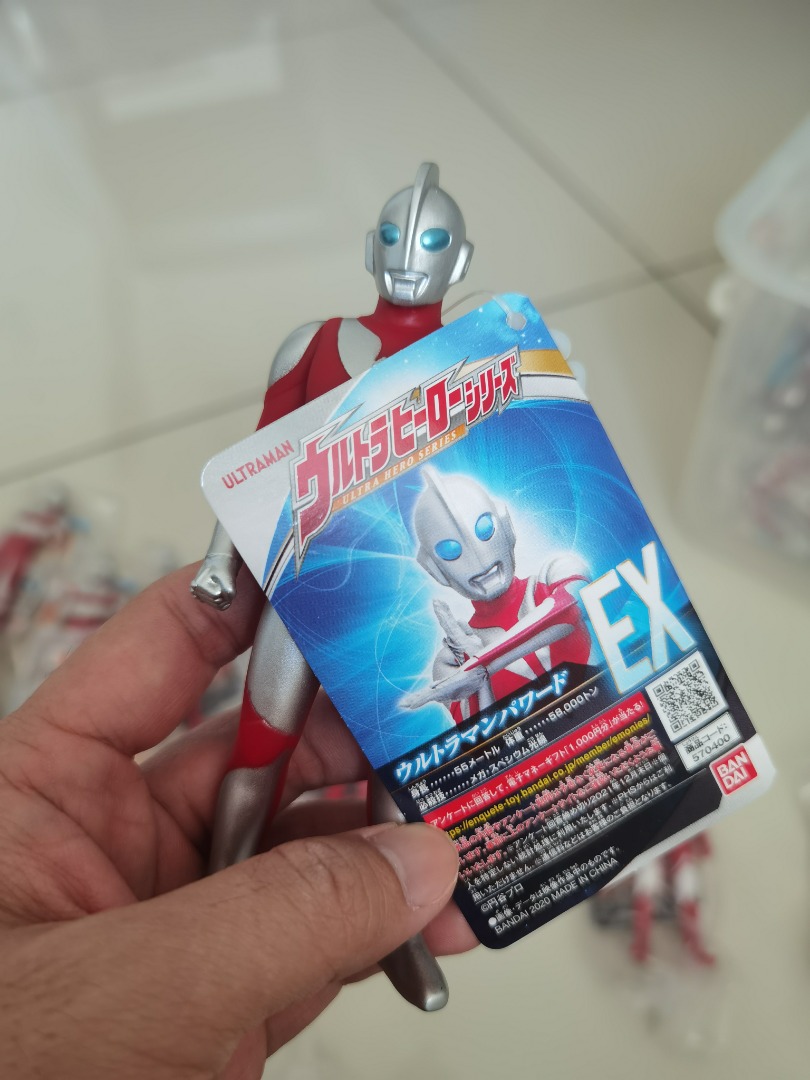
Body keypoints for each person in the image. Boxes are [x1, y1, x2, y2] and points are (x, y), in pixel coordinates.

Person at [0, 566, 471, 1079]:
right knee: (261, 754)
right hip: (296, 597)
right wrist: (219, 565)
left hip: (385, 598)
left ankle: (400, 937)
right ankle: (226, 875)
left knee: (395, 755)